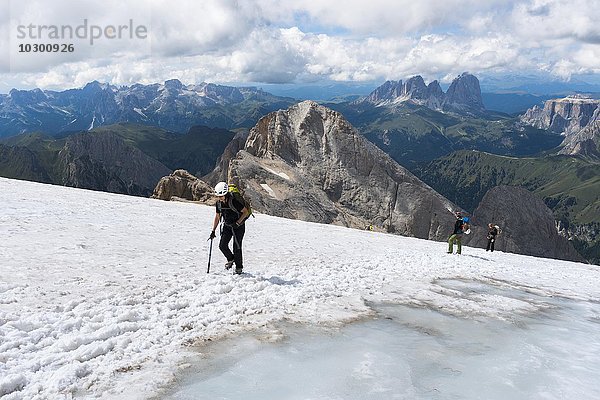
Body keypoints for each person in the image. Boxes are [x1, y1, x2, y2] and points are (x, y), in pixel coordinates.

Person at [209, 181, 250, 274]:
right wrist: (213, 231)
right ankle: (231, 259)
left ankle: (239, 268)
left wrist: (238, 222)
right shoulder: (219, 203)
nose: (219, 198)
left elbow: (245, 212)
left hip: (238, 227)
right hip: (227, 226)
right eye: (218, 196)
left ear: (226, 194)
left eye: (221, 196)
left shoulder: (233, 201)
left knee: (237, 247)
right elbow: (217, 216)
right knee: (222, 245)